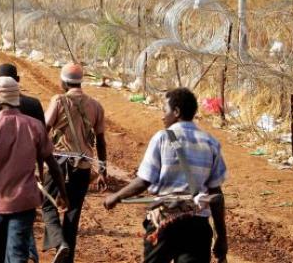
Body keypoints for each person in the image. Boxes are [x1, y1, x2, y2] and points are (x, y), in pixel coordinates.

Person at [104, 88, 228, 263]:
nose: (162, 116)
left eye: (165, 111)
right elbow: (216, 194)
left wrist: (116, 197)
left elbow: (143, 181)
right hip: (197, 226)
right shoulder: (211, 142)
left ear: (176, 112)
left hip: (165, 222)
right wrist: (222, 238)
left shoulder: (162, 138)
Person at [0, 76, 69, 263]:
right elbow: (54, 167)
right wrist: (63, 194)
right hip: (24, 203)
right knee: (18, 256)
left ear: (0, 100)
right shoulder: (35, 126)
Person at [41, 62, 108, 263]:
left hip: (59, 163)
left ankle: (60, 243)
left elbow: (43, 129)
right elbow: (101, 141)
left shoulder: (59, 100)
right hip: (84, 167)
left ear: (63, 81)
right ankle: (66, 256)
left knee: (48, 205)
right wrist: (102, 170)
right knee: (73, 213)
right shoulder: (96, 105)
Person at [0, 63, 46, 262]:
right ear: (18, 81)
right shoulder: (34, 106)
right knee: (18, 246)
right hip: (25, 191)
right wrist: (41, 175)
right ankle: (30, 253)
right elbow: (44, 146)